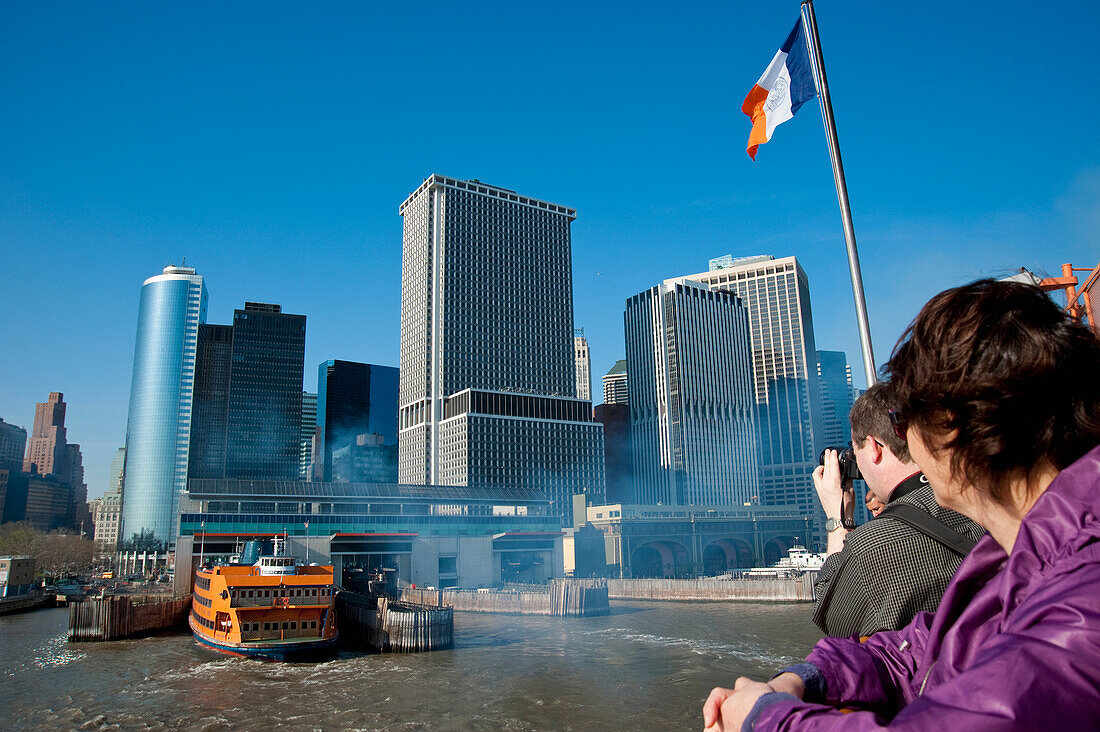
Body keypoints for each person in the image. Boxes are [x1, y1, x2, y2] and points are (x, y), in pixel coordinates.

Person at [703, 279, 1100, 730]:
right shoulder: (1017, 556)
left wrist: (764, 719)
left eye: (903, 418)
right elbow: (923, 650)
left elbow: (837, 615)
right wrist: (808, 679)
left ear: (950, 425)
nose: (905, 438)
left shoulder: (1080, 603)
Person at [811, 383, 984, 637]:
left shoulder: (871, 546)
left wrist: (837, 520)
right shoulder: (984, 500)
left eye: (855, 449)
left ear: (873, 447)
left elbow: (833, 621)